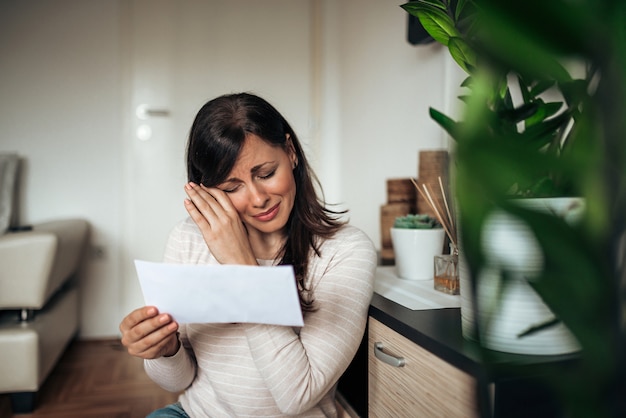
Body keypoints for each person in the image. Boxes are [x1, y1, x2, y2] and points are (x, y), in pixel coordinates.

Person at [119, 92, 376, 417]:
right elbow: (178, 380)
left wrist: (242, 266)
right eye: (231, 188)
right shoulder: (187, 240)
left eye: (266, 173)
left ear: (291, 152)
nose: (257, 198)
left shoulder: (345, 250)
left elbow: (297, 395)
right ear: (206, 190)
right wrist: (164, 350)